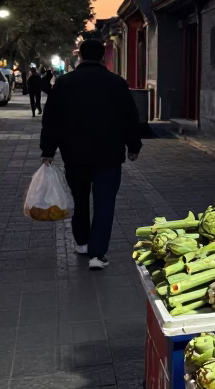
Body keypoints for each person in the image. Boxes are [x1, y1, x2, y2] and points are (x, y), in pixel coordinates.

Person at [40, 37, 142, 270]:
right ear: (103, 57)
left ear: (80, 56)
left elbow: (51, 120)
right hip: (109, 155)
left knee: (80, 199)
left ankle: (82, 242)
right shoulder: (116, 83)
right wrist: (133, 146)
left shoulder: (64, 83)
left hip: (74, 155)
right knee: (105, 203)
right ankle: (97, 254)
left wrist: (48, 151)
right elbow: (130, 117)